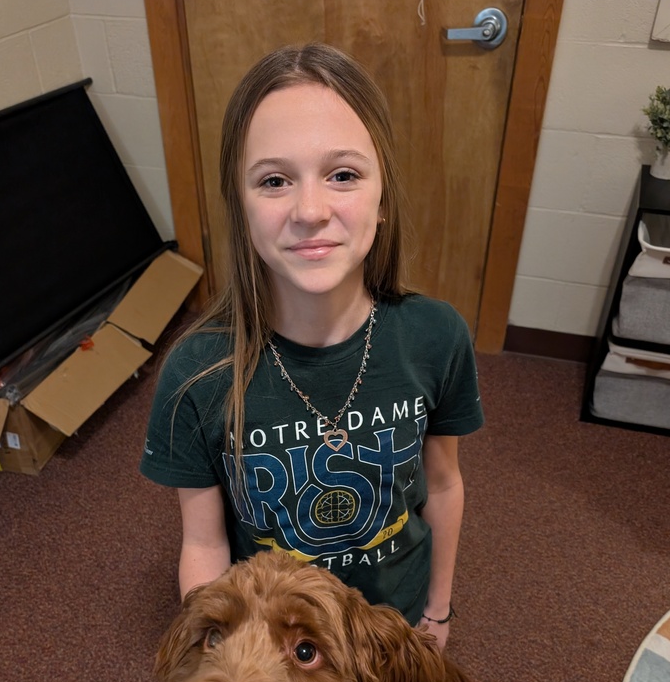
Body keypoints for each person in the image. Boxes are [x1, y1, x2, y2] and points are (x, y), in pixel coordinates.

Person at [140, 42, 483, 649]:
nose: (310, 210)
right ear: (241, 207)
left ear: (382, 196)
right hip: (269, 646)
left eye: (343, 174)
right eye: (274, 180)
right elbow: (203, 542)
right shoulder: (197, 373)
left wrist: (438, 609)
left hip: (392, 628)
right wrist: (223, 662)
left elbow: (445, 483)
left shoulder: (436, 336)